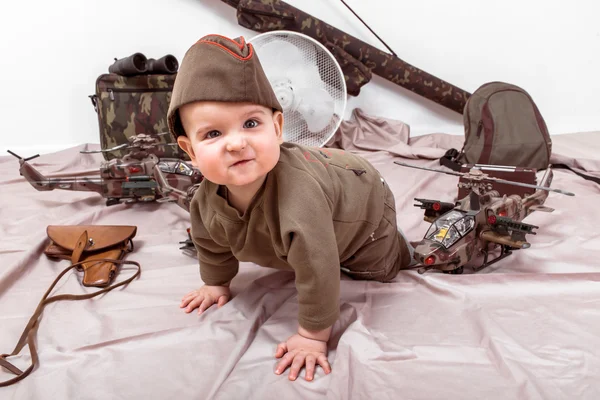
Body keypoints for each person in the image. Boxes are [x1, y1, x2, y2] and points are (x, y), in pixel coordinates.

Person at [167, 34, 413, 382]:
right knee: (298, 244)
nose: (237, 143)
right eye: (212, 134)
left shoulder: (299, 199)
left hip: (364, 202)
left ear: (278, 127)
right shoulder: (204, 203)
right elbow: (210, 244)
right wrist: (216, 284)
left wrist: (313, 336)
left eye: (251, 124)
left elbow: (318, 265)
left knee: (378, 267)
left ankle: (394, 240)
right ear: (189, 152)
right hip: (321, 187)